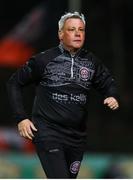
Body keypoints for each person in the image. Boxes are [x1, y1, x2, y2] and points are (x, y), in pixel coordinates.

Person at [7, 12, 119, 178]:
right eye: (72, 29)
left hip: (77, 137)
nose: (78, 33)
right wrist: (21, 118)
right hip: (48, 133)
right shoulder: (43, 60)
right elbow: (14, 83)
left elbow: (108, 82)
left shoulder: (91, 61)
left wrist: (111, 95)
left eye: (81, 29)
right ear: (60, 34)